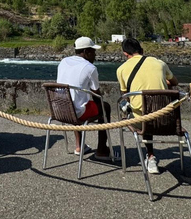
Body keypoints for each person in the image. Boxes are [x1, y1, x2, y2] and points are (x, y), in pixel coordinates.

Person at [116, 38, 177, 174]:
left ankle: (150, 156)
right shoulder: (160, 63)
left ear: (125, 54)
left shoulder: (121, 69)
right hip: (167, 119)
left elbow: (126, 95)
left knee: (135, 113)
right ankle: (151, 157)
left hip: (143, 122)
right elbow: (174, 82)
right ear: (142, 51)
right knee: (151, 112)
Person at [56, 36, 112, 161]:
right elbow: (96, 94)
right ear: (86, 52)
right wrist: (100, 108)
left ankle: (79, 145)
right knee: (105, 107)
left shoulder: (63, 61)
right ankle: (102, 150)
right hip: (76, 113)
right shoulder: (90, 68)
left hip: (59, 110)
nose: (95, 54)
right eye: (93, 51)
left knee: (75, 102)